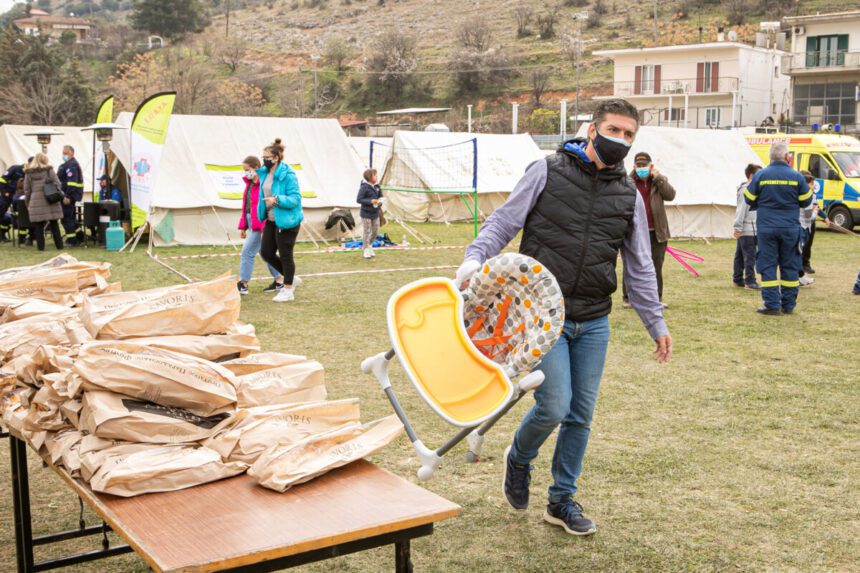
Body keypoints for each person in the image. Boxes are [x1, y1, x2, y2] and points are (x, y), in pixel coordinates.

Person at [455, 99, 671, 536]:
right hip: (541, 316)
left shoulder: (628, 195)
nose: (621, 140)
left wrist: (656, 322)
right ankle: (519, 457)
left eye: (629, 134)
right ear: (592, 130)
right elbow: (504, 222)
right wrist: (474, 257)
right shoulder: (547, 171)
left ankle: (561, 500)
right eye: (614, 130)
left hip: (594, 318)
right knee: (555, 405)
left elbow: (640, 264)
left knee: (580, 415)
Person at [744, 141, 812, 315]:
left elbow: (748, 197)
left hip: (766, 228)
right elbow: (806, 200)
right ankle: (788, 305)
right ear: (787, 156)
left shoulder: (761, 175)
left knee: (767, 266)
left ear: (770, 157)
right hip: (790, 228)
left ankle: (772, 305)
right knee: (790, 266)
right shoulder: (797, 176)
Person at [621, 151, 675, 308]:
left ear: (651, 166)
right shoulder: (628, 182)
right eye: (638, 165)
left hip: (656, 232)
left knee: (656, 266)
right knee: (631, 264)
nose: (641, 168)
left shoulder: (658, 182)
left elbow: (670, 195)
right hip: (635, 231)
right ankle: (628, 298)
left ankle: (655, 298)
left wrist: (658, 178)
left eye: (644, 165)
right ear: (634, 167)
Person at [258, 138, 303, 303]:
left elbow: (295, 199)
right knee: (266, 252)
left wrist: (276, 200)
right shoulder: (264, 173)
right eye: (263, 157)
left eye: (267, 157)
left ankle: (288, 289)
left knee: (286, 255)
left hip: (287, 221)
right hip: (271, 220)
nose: (264, 160)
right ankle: (291, 278)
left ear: (276, 157)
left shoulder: (288, 175)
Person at [236, 155, 284, 295]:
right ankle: (280, 279)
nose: (246, 172)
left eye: (247, 169)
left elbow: (267, 207)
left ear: (256, 167)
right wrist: (243, 226)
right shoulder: (249, 184)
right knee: (266, 253)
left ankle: (243, 283)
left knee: (247, 252)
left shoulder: (264, 184)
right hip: (251, 222)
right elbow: (247, 206)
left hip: (261, 224)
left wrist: (264, 228)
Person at [23, 153, 64, 251]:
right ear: (45, 160)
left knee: (38, 225)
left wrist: (28, 203)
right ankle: (59, 246)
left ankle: (40, 247)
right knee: (54, 223)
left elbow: (27, 190)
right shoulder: (49, 170)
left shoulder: (28, 173)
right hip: (50, 199)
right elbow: (58, 184)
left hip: (35, 201)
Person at [732, 163, 762, 289]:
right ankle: (750, 281)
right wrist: (738, 227)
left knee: (740, 255)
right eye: (759, 174)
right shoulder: (746, 190)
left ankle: (737, 279)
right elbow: (741, 210)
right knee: (750, 256)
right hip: (747, 228)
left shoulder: (755, 189)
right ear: (751, 175)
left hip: (752, 227)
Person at [58, 145, 84, 245]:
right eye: (63, 153)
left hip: (69, 196)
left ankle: (72, 241)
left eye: (66, 153)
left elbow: (72, 183)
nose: (63, 155)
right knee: (71, 218)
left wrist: (67, 196)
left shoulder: (71, 165)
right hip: (70, 195)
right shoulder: (68, 164)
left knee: (66, 218)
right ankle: (80, 236)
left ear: (71, 153)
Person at [356, 168, 383, 259]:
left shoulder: (377, 186)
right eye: (375, 175)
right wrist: (371, 201)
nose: (376, 176)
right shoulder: (364, 187)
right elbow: (359, 199)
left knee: (375, 231)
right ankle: (365, 250)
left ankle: (369, 245)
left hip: (375, 213)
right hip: (366, 214)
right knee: (367, 232)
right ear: (369, 177)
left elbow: (380, 197)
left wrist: (380, 202)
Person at [798, 171, 818, 287]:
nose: (813, 186)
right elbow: (808, 216)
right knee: (798, 253)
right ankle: (799, 277)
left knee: (800, 253)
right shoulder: (806, 196)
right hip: (802, 227)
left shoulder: (808, 195)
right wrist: (815, 211)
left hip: (805, 227)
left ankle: (800, 276)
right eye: (811, 184)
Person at [0, 163, 25, 242]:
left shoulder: (29, 171)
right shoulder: (15, 168)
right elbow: (2, 180)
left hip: (18, 195)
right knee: (1, 212)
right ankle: (1, 235)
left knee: (19, 215)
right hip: (7, 194)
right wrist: (4, 192)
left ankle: (23, 236)